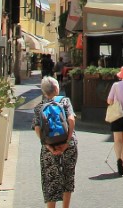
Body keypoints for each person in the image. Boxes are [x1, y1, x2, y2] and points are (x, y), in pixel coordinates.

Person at [32, 76, 77, 208]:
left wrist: (49, 146)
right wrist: (67, 142)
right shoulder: (65, 101)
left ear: (44, 92)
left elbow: (37, 129)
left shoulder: (39, 107)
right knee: (67, 178)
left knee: (50, 181)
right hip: (69, 145)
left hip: (49, 148)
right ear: (57, 89)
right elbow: (71, 120)